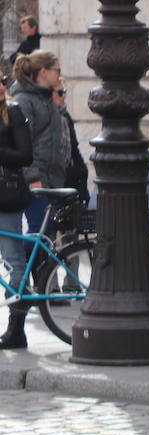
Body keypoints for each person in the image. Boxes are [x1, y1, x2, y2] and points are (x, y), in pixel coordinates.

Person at [2, 50, 69, 350]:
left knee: (20, 252)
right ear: (42, 71)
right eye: (55, 69)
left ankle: (18, 316)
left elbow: (28, 149)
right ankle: (28, 280)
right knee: (20, 248)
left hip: (27, 186)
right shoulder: (31, 101)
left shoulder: (27, 105)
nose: (59, 74)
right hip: (34, 182)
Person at [0, 81, 32, 295]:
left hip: (6, 194)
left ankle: (16, 323)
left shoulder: (13, 112)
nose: (2, 87)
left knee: (14, 259)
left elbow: (25, 156)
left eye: (1, 82)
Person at [52, 79, 88, 204]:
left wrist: (82, 171)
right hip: (56, 180)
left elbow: (74, 147)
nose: (64, 96)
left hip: (71, 178)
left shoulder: (65, 115)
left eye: (65, 91)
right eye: (60, 92)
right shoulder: (48, 116)